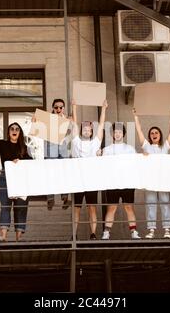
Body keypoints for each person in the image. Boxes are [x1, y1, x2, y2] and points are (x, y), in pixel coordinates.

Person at [0, 117, 32, 242]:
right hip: (6, 178)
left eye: (17, 129)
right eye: (12, 129)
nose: (14, 130)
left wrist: (20, 161)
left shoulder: (24, 148)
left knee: (21, 207)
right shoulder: (3, 144)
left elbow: (31, 163)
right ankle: (3, 236)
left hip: (21, 179)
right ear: (8, 132)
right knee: (5, 206)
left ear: (20, 132)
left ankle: (19, 238)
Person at [133, 108, 170, 239]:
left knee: (165, 203)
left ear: (160, 135)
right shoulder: (146, 146)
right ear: (150, 136)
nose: (154, 134)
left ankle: (167, 230)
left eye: (156, 132)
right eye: (152, 133)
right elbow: (139, 131)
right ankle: (151, 230)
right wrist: (136, 116)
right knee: (151, 204)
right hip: (150, 181)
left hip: (163, 180)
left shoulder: (165, 147)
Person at [71, 99, 108, 240]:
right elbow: (74, 123)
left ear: (92, 131)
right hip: (78, 180)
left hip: (91, 181)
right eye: (84, 129)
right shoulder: (76, 142)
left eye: (89, 129)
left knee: (92, 207)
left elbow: (102, 125)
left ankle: (93, 234)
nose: (86, 131)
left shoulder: (95, 143)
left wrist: (103, 108)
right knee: (77, 208)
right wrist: (74, 106)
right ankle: (74, 234)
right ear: (82, 131)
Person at [101, 122, 141, 240]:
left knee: (129, 207)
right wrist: (98, 154)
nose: (117, 134)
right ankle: (106, 232)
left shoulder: (130, 149)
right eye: (115, 132)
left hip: (127, 182)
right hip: (113, 183)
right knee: (111, 208)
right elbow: (102, 166)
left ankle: (133, 231)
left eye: (119, 132)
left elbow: (135, 164)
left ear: (123, 134)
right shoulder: (107, 149)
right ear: (112, 134)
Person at [43, 99, 71, 210]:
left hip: (63, 149)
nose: (58, 109)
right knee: (51, 173)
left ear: (63, 108)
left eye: (60, 107)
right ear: (53, 108)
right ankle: (50, 198)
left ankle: (64, 197)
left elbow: (72, 134)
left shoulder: (68, 120)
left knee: (63, 173)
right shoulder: (47, 120)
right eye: (56, 107)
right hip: (51, 150)